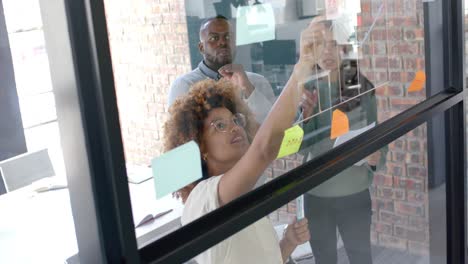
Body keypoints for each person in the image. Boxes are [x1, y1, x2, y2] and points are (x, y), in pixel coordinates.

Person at [161, 19, 322, 263]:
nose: (236, 128)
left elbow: (272, 138)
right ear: (201, 46)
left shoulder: (255, 81)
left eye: (235, 120)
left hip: (256, 197)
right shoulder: (207, 201)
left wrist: (288, 242)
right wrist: (303, 66)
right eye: (220, 126)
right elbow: (264, 147)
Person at [298, 18, 388, 264]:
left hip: (354, 190)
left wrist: (375, 157)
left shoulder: (359, 85)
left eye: (334, 44)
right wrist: (303, 118)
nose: (327, 51)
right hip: (317, 191)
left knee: (361, 258)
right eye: (320, 45)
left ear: (345, 49)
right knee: (324, 259)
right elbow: (295, 147)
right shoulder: (303, 87)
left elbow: (376, 138)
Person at [168, 15, 276, 124]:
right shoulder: (185, 85)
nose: (223, 42)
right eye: (214, 38)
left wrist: (247, 88)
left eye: (228, 37)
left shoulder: (258, 82)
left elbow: (275, 126)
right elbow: (181, 137)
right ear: (201, 48)